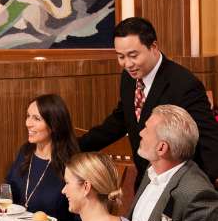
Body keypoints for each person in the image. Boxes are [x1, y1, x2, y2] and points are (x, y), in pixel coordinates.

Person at [79, 16, 218, 187]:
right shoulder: (129, 78)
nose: (127, 64)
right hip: (145, 182)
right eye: (121, 57)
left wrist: (195, 193)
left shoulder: (184, 85)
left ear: (153, 47)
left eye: (133, 55)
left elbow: (209, 145)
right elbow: (121, 120)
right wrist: (75, 147)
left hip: (177, 187)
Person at [3, 94, 82, 221]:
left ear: (54, 124)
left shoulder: (72, 164)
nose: (28, 123)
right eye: (28, 116)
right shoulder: (26, 151)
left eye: (36, 118)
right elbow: (6, 192)